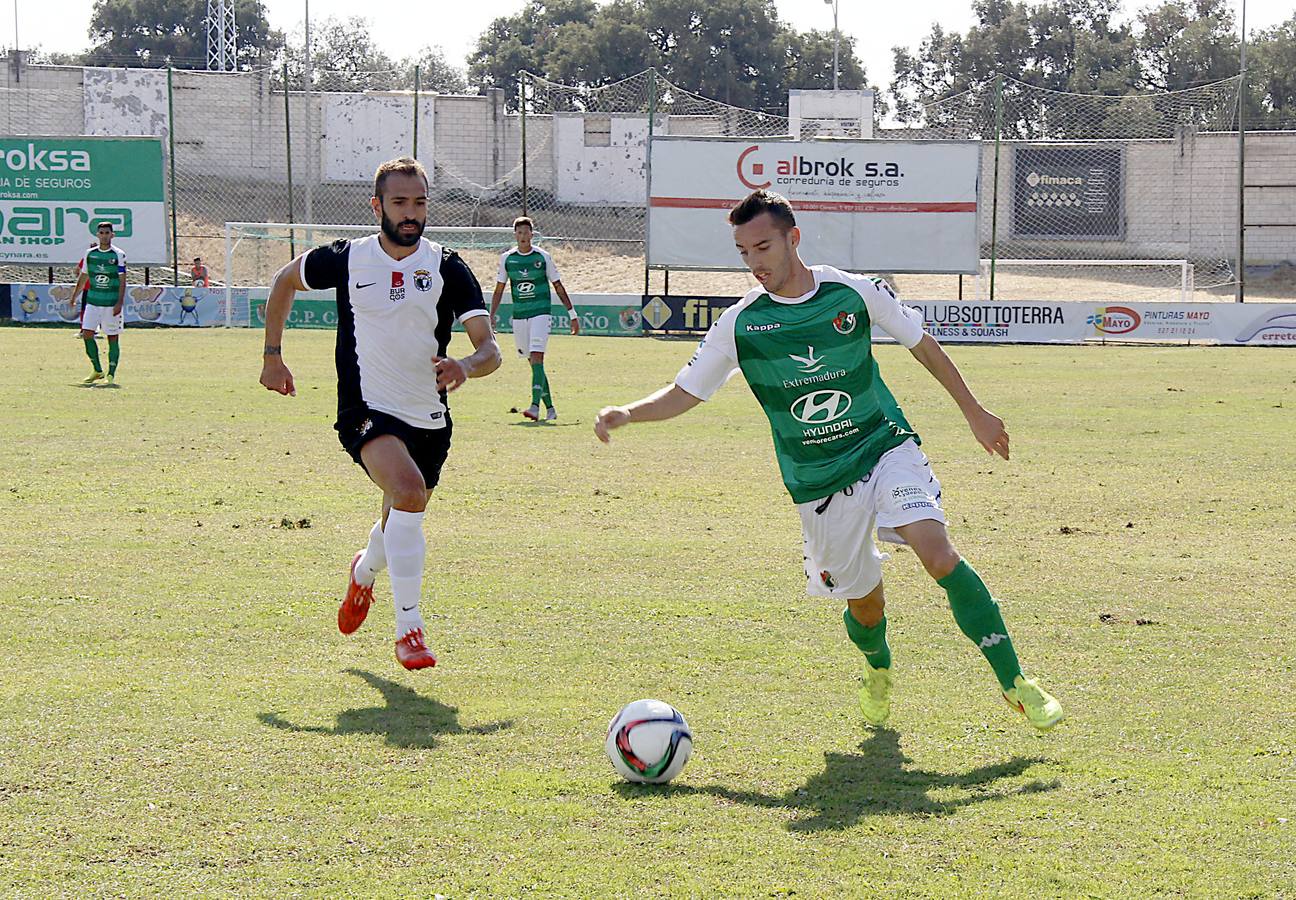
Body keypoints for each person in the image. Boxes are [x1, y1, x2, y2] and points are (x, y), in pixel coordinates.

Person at [594, 190, 1064, 731]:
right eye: (743, 252)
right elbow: (685, 392)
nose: (755, 262)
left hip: (883, 446)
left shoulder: (853, 292)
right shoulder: (741, 324)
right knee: (865, 605)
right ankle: (878, 667)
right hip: (817, 482)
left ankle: (1015, 681)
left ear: (793, 238)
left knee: (936, 552)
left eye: (763, 246)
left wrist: (974, 412)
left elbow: (923, 344)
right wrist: (627, 413)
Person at [259, 157, 501, 671]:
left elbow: (490, 350)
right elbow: (283, 281)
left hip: (429, 419)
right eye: (399, 203)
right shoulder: (348, 258)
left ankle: (364, 571)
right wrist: (272, 355)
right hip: (366, 410)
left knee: (401, 515)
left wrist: (466, 365)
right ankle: (408, 630)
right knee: (409, 493)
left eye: (419, 203)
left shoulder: (447, 266)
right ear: (377, 206)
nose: (410, 214)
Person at [489, 216, 579, 422]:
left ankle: (534, 407)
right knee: (533, 363)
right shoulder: (507, 259)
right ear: (515, 235)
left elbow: (558, 285)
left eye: (526, 232)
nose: (522, 236)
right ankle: (551, 408)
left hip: (541, 313)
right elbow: (499, 289)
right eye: (519, 233)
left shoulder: (543, 256)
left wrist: (572, 313)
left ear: (532, 234)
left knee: (538, 358)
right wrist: (490, 315)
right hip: (520, 317)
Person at [73, 221, 127, 386]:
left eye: (107, 233)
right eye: (101, 233)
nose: (104, 235)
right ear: (97, 235)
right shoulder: (90, 253)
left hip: (110, 303)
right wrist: (74, 296)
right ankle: (97, 370)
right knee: (87, 334)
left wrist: (119, 302)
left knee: (112, 337)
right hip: (93, 302)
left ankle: (110, 374)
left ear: (112, 235)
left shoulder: (118, 254)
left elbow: (122, 280)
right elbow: (84, 276)